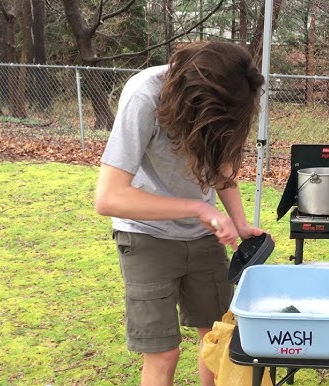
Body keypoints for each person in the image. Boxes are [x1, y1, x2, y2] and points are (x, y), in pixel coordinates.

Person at [94, 41, 265, 386]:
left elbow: (220, 168)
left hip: (202, 235)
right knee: (163, 352)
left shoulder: (228, 95)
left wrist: (240, 222)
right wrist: (198, 208)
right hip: (145, 235)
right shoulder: (145, 95)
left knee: (217, 339)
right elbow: (109, 197)